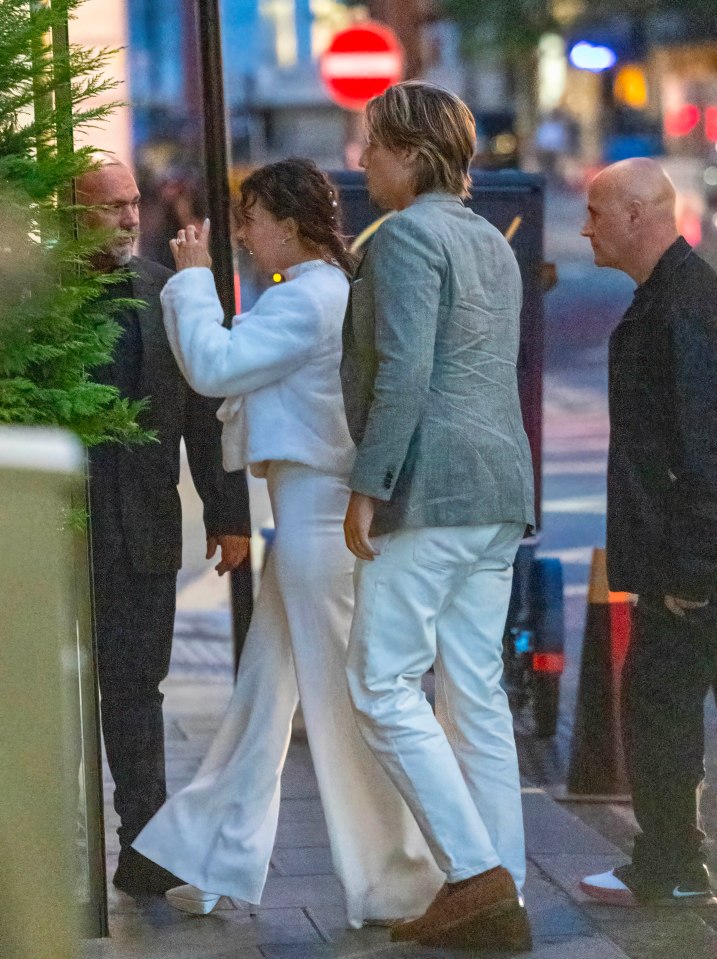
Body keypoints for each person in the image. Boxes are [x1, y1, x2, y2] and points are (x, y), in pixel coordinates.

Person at [132, 158, 444, 927]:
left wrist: (193, 278)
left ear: (288, 223)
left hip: (316, 520)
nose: (241, 234)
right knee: (264, 697)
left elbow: (213, 366)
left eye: (250, 218)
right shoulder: (315, 292)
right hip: (309, 516)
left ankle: (402, 879)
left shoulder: (308, 297)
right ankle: (206, 855)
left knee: (338, 705)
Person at [340, 82, 535, 951]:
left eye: (371, 146)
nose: (360, 160)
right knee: (475, 693)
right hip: (498, 490)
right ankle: (507, 886)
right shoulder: (490, 241)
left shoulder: (407, 237)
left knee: (380, 683)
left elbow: (404, 372)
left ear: (411, 153)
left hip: (432, 490)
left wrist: (367, 482)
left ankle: (474, 874)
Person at [78, 156, 252, 895]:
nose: (126, 217)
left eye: (130, 204)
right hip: (60, 528)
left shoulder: (164, 292)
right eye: (108, 206)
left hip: (141, 526)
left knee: (135, 689)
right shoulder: (35, 301)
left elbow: (209, 415)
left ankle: (143, 845)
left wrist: (228, 513)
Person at [578, 158, 717, 906]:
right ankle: (667, 861)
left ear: (637, 215)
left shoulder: (681, 308)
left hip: (691, 570)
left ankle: (669, 866)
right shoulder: (670, 299)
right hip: (682, 562)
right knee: (656, 712)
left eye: (595, 212)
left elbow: (701, 450)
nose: (583, 227)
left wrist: (690, 577)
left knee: (659, 714)